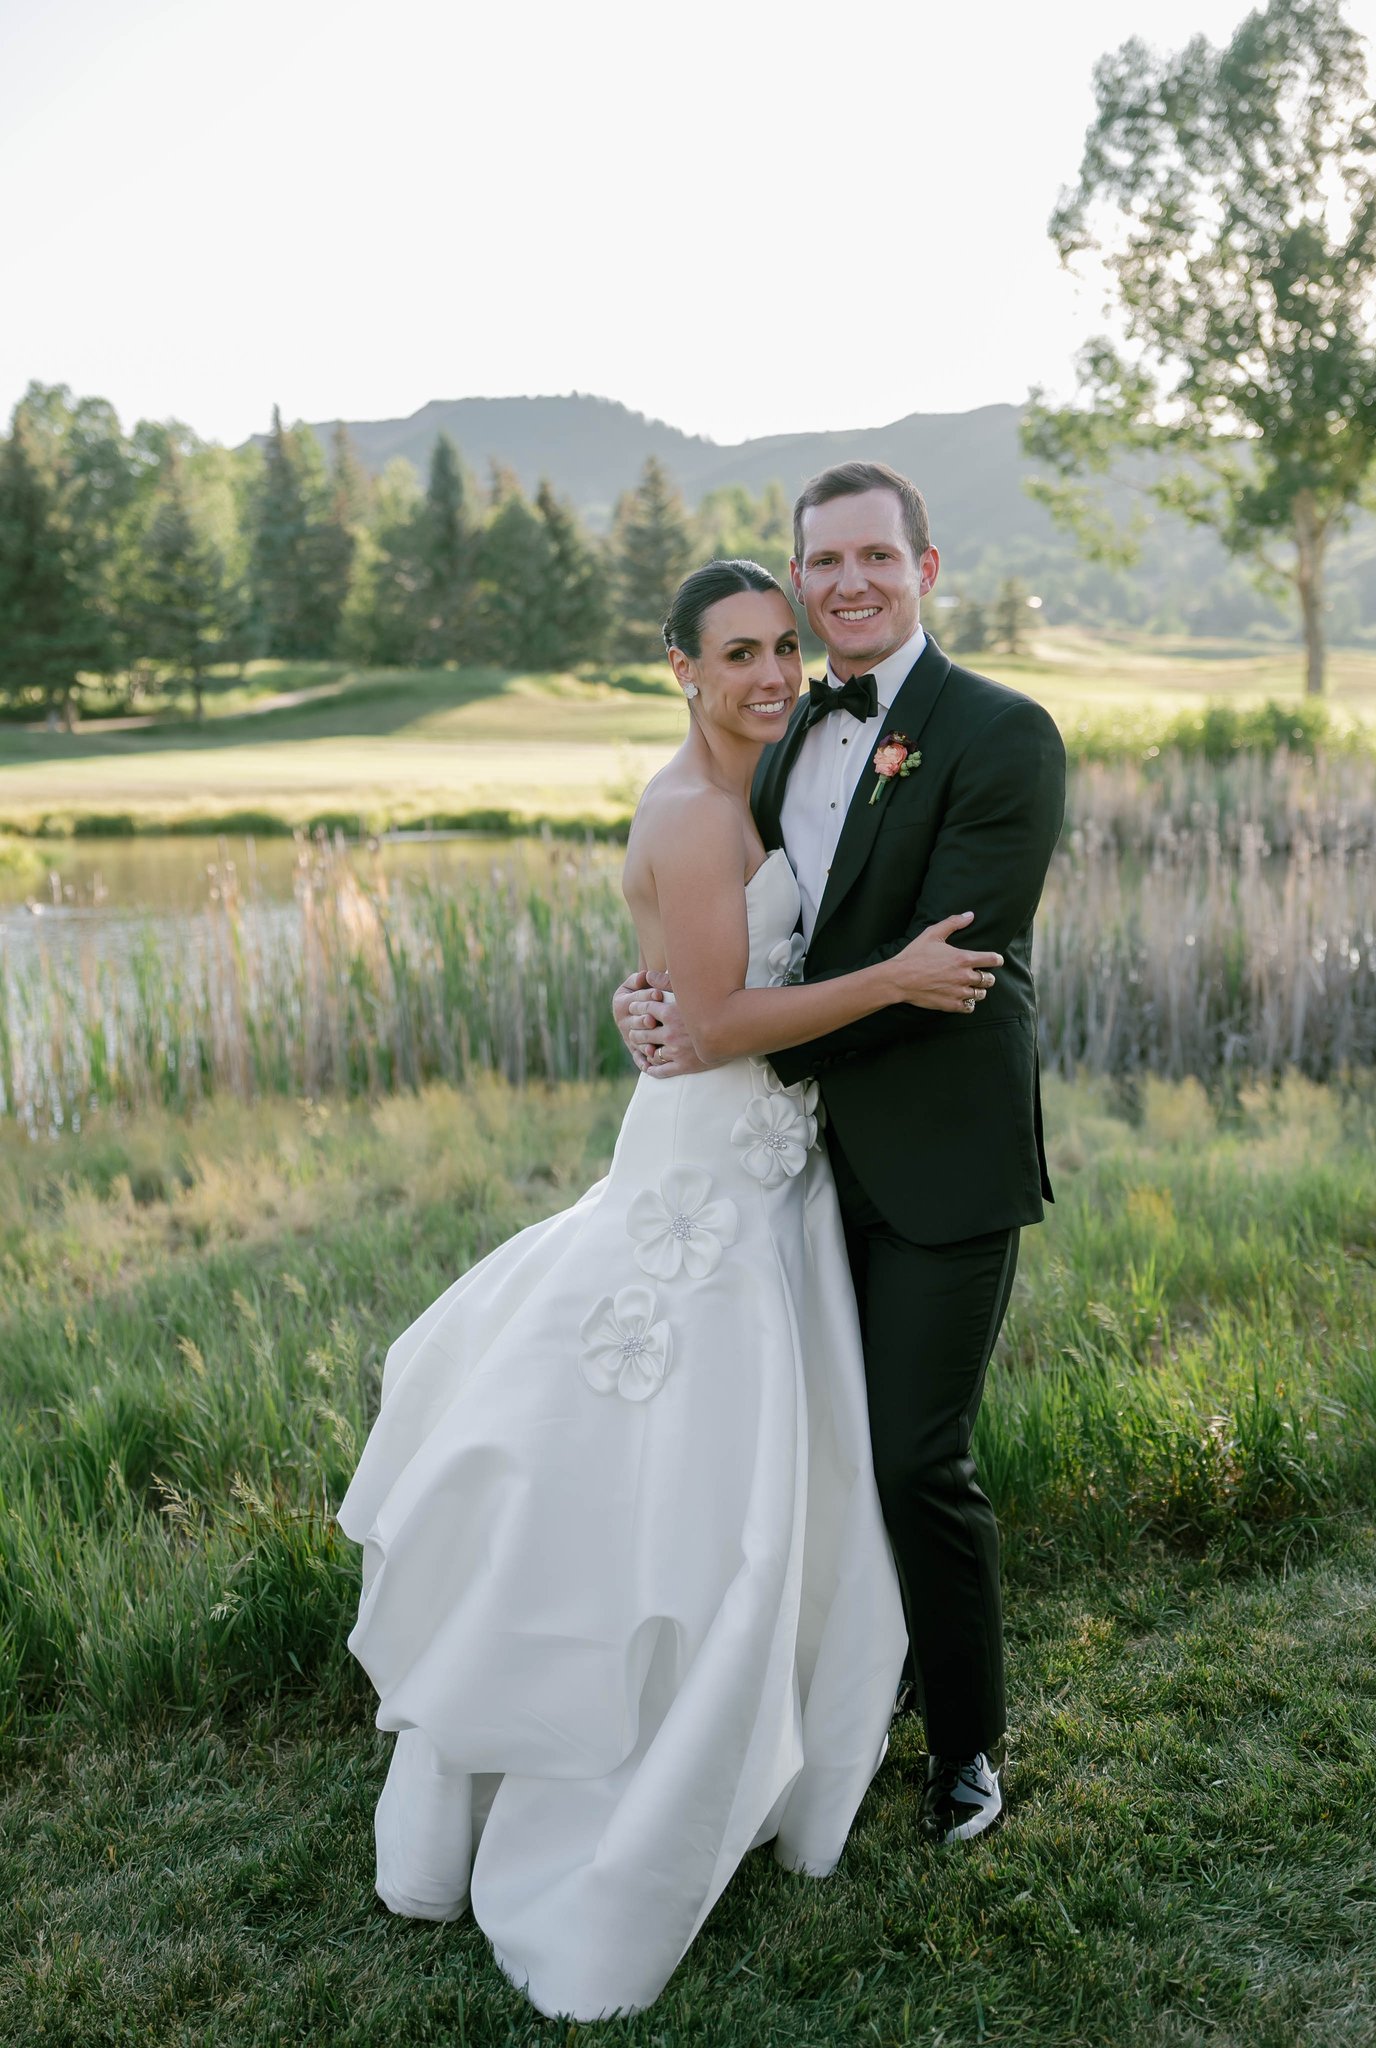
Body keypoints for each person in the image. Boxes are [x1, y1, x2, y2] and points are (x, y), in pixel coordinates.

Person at [336, 558, 1003, 2022]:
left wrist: (650, 994)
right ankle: (629, 1781)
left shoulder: (774, 784)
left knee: (754, 1483)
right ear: (682, 673)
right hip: (709, 1193)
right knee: (687, 1491)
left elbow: (676, 982)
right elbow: (712, 1016)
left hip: (765, 1171)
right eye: (739, 655)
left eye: (784, 648)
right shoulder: (698, 809)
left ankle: (757, 1743)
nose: (772, 674)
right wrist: (888, 981)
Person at [618, 463, 1066, 1846]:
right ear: (802, 581)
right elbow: (713, 908)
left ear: (928, 567)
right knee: (800, 1456)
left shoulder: (1002, 734)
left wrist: (725, 1033)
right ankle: (835, 1705)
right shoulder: (786, 722)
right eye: (826, 563)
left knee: (916, 1458)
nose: (850, 581)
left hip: (937, 1160)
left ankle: (967, 1747)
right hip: (791, 1168)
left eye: (879, 555)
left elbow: (943, 968)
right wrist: (655, 1000)